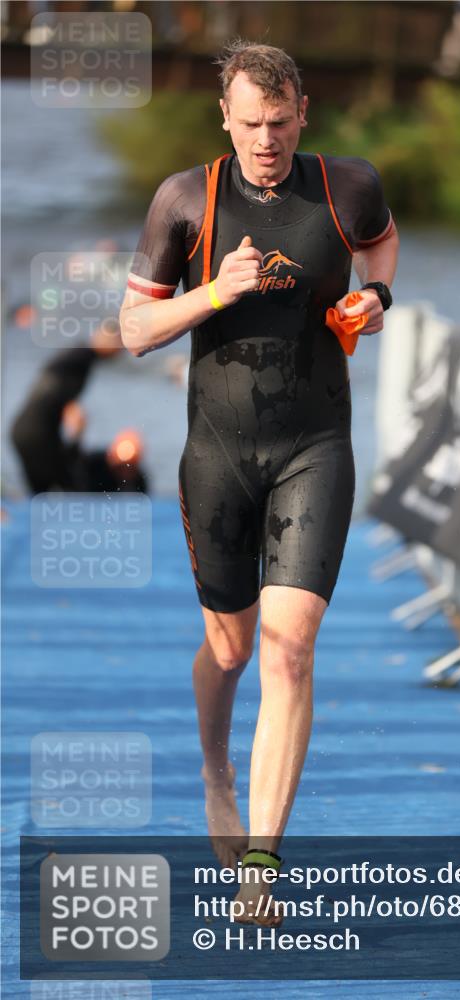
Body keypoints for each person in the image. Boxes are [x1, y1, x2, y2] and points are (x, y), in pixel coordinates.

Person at [119, 40, 399, 926]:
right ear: (226, 120)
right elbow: (132, 329)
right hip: (219, 456)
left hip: (316, 443)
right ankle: (215, 771)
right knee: (233, 651)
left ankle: (263, 867)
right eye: (250, 125)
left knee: (288, 646)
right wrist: (210, 294)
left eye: (280, 124)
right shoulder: (184, 200)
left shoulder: (344, 187)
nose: (266, 141)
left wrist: (375, 300)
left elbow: (381, 248)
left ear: (303, 114)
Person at [11, 322, 149, 495]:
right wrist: (72, 419)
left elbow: (49, 384)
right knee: (64, 486)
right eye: (119, 345)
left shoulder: (79, 356)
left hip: (27, 430)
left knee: (46, 490)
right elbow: (55, 386)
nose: (119, 352)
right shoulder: (81, 358)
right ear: (105, 338)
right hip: (36, 432)